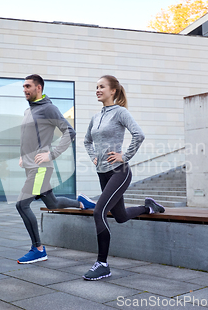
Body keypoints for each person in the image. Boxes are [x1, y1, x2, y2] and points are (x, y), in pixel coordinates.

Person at [82, 75, 165, 280]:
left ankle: (102, 264)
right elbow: (86, 141)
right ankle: (149, 207)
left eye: (102, 86)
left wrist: (125, 156)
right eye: (96, 87)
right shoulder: (96, 117)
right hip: (103, 172)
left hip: (119, 171)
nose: (98, 90)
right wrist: (94, 157)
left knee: (99, 211)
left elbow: (139, 134)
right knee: (119, 216)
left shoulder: (120, 112)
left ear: (113, 91)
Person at [16, 74, 96, 264]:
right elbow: (28, 137)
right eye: (23, 87)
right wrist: (22, 155)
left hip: (40, 168)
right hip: (30, 166)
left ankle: (38, 249)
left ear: (39, 88)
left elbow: (70, 131)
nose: (25, 90)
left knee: (22, 204)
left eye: (28, 86)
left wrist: (51, 154)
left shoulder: (48, 108)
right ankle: (81, 203)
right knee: (51, 203)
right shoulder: (30, 110)